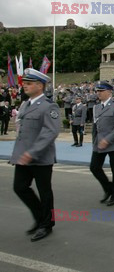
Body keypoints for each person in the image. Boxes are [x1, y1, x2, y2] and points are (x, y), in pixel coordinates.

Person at [10, 68, 60, 242]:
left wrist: (32, 152)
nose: (25, 86)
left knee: (45, 192)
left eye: (29, 83)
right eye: (25, 83)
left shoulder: (49, 106)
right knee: (20, 187)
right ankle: (40, 217)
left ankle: (47, 224)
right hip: (23, 156)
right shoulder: (26, 104)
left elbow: (50, 132)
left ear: (40, 86)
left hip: (40, 157)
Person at [89, 81, 114, 206]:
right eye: (97, 91)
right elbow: (95, 126)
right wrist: (94, 141)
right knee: (94, 167)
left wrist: (107, 139)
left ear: (109, 92)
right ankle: (108, 188)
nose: (98, 93)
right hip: (99, 143)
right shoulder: (96, 107)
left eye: (101, 91)